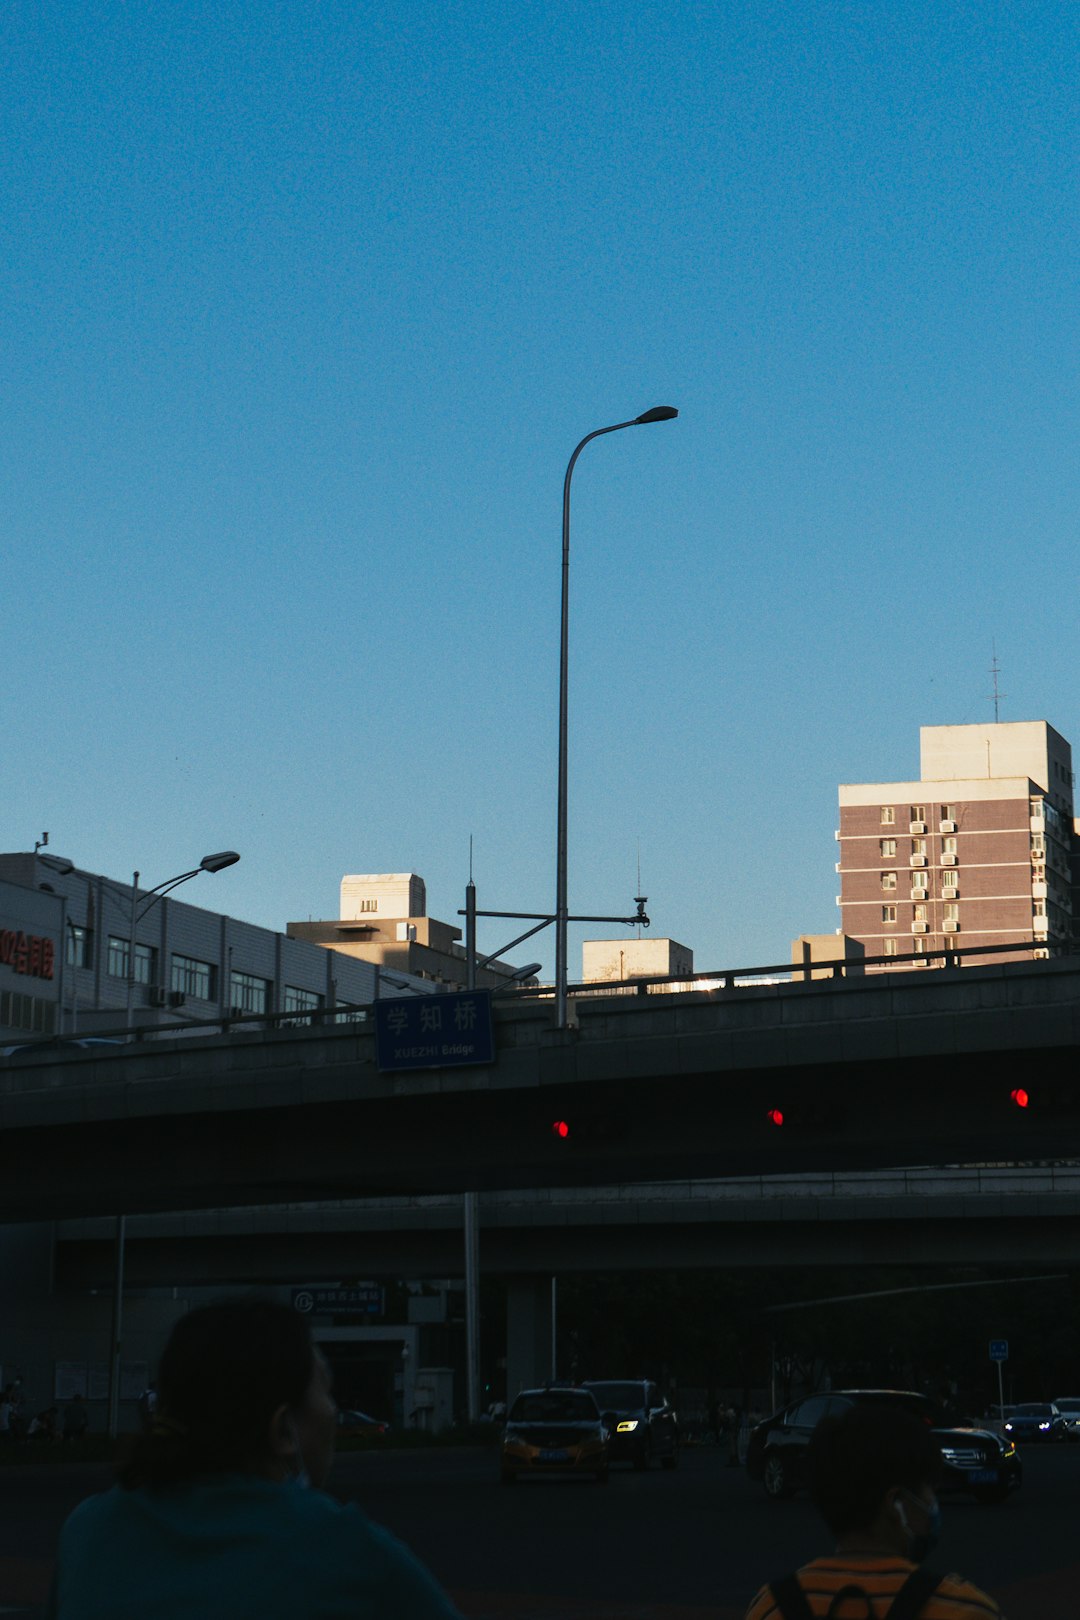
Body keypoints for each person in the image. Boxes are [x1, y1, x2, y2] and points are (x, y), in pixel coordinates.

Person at [46, 1297, 463, 1620]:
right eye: (326, 1389)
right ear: (283, 1431)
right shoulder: (345, 1548)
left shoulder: (87, 1530)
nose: (332, 1410)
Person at [744, 1402, 1004, 1620]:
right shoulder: (964, 1610)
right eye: (927, 1491)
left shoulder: (771, 1607)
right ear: (896, 1504)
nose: (932, 1505)